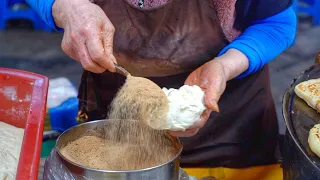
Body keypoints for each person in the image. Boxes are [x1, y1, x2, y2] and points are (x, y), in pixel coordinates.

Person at [27, 0, 296, 168]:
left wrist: (225, 66)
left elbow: (276, 24)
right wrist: (64, 6)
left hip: (229, 135)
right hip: (119, 137)